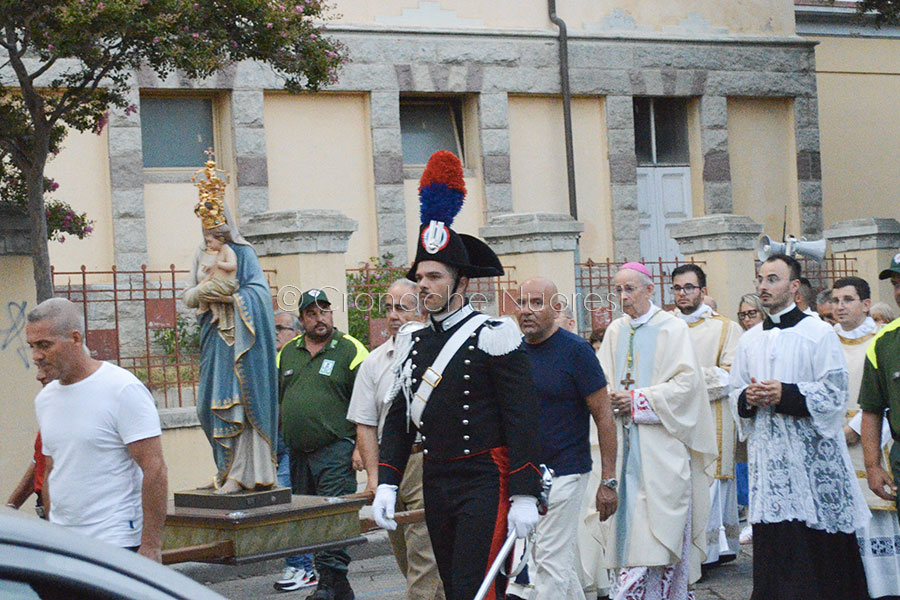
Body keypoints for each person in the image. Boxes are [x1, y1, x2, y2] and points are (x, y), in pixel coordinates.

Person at [373, 150, 542, 600]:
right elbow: (400, 419)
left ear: (461, 282)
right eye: (419, 277)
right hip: (436, 478)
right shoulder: (412, 340)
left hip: (486, 479)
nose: (423, 285)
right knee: (452, 587)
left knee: (477, 589)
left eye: (433, 276)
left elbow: (523, 418)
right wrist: (386, 481)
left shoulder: (495, 334)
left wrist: (525, 493)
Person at [729, 254, 869, 600]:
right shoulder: (749, 339)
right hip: (771, 463)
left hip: (811, 464)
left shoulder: (819, 333)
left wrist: (786, 393)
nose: (763, 286)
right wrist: (749, 397)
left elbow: (835, 395)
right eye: (760, 279)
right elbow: (734, 392)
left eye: (773, 279)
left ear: (794, 287)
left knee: (819, 556)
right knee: (778, 553)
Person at [595, 262, 717, 600]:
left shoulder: (672, 329)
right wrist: (609, 396)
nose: (623, 296)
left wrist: (637, 400)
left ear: (650, 290)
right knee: (627, 536)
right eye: (618, 289)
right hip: (623, 448)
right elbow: (601, 379)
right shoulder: (616, 331)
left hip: (662, 448)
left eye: (630, 289)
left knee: (660, 535)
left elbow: (688, 386)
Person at [26, 298, 168, 561]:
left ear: (75, 338)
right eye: (32, 346)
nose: (37, 356)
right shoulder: (45, 399)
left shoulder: (122, 389)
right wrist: (54, 529)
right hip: (66, 543)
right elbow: (51, 469)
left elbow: (154, 467)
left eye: (45, 345)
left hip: (116, 540)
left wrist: (150, 545)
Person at [514, 277, 618, 600]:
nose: (526, 311)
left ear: (556, 308)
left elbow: (603, 415)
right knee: (551, 560)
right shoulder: (513, 354)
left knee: (548, 560)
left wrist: (608, 481)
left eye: (536, 303)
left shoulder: (577, 351)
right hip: (527, 475)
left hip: (567, 471)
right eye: (521, 303)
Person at [183, 158, 278, 495]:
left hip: (242, 343)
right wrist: (203, 293)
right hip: (215, 338)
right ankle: (224, 469)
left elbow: (259, 296)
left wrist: (229, 299)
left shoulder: (243, 252)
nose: (210, 236)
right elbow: (190, 294)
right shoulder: (200, 253)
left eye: (215, 229)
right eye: (206, 230)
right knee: (209, 404)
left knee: (241, 401)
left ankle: (244, 473)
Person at [346, 279, 444, 600]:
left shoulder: (439, 354)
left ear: (422, 311)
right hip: (391, 467)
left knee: (424, 561)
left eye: (401, 308)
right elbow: (365, 424)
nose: (393, 315)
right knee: (406, 556)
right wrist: (375, 478)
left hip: (425, 462)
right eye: (388, 308)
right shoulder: (374, 362)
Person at [279, 288, 369, 600]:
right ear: (302, 319)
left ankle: (329, 583)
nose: (321, 319)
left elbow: (367, 402)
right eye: (312, 314)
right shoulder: (288, 352)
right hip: (298, 452)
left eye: (325, 312)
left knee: (333, 513)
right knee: (309, 516)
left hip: (336, 447)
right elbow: (278, 397)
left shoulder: (350, 348)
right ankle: (337, 587)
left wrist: (361, 446)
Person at [669, 264, 743, 569]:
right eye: (677, 288)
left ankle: (710, 552)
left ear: (703, 290)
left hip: (712, 417)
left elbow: (730, 375)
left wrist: (683, 385)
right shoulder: (665, 327)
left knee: (710, 481)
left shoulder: (726, 328)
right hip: (673, 420)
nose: (683, 293)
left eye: (689, 287)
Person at [832, 276, 900, 598]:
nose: (840, 306)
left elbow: (877, 408)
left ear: (866, 304)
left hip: (868, 441)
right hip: (838, 447)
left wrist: (854, 429)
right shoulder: (826, 340)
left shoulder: (879, 338)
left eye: (848, 299)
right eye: (835, 300)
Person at [860, 254, 900, 590]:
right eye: (896, 285)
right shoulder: (884, 343)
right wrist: (873, 465)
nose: (899, 291)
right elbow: (871, 410)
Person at [272, 309, 317, 593]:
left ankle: (304, 568)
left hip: (294, 444)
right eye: (272, 328)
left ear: (297, 333)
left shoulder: (300, 358)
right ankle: (298, 564)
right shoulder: (272, 359)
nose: (275, 333)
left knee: (286, 500)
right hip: (275, 443)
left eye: (280, 328)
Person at [195, 228, 239, 344]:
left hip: (227, 285)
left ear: (220, 240)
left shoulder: (227, 250)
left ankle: (204, 308)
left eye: (210, 242)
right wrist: (209, 270)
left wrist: (218, 264)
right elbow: (214, 271)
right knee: (203, 289)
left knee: (204, 290)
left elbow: (232, 265)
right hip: (218, 283)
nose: (208, 245)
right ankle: (215, 312)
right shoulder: (219, 253)